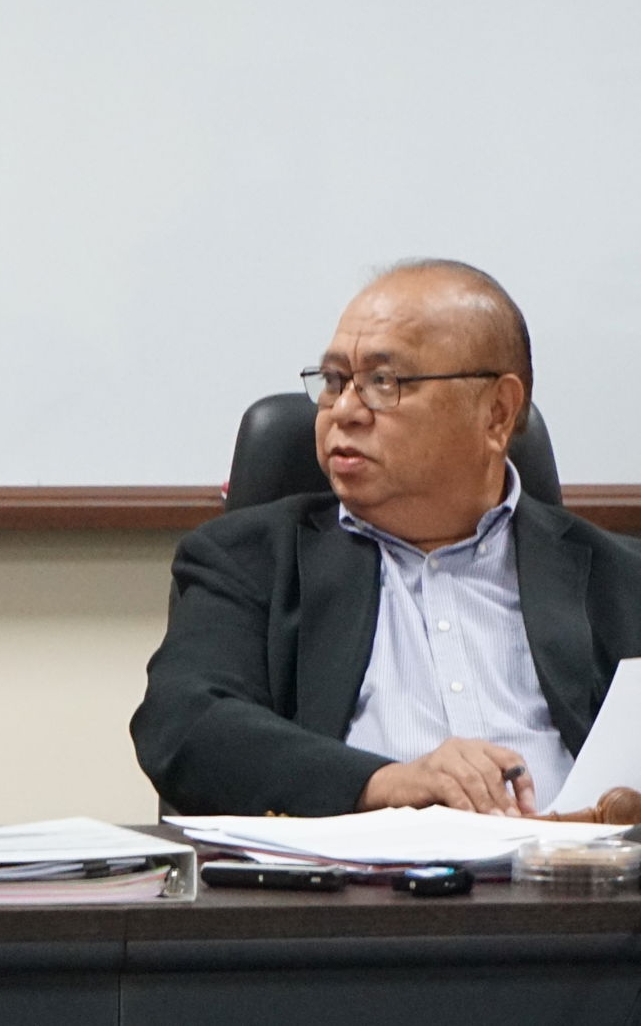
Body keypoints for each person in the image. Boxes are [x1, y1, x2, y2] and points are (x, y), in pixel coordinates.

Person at [131, 259, 641, 818]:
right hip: (356, 898)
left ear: (497, 413)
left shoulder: (621, 577)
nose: (344, 410)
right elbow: (184, 725)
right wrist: (385, 782)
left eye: (384, 382)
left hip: (575, 892)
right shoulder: (247, 559)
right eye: (333, 381)